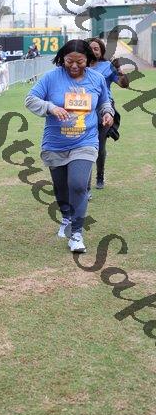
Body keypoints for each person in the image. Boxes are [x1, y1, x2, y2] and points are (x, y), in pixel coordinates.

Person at [25, 39, 114, 254]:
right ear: (62, 59)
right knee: (61, 188)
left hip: (85, 140)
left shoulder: (96, 78)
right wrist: (51, 107)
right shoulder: (51, 77)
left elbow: (104, 100)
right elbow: (30, 100)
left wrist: (107, 112)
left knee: (78, 184)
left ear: (88, 59)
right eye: (69, 61)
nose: (74, 66)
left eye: (79, 62)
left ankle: (76, 234)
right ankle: (66, 215)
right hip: (56, 143)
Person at [87, 37, 129, 190]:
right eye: (90, 48)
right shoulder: (80, 65)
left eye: (96, 48)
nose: (93, 51)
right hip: (84, 109)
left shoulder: (107, 66)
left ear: (101, 51)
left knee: (99, 144)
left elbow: (123, 84)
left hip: (104, 110)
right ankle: (85, 183)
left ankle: (100, 176)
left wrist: (119, 69)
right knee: (84, 146)